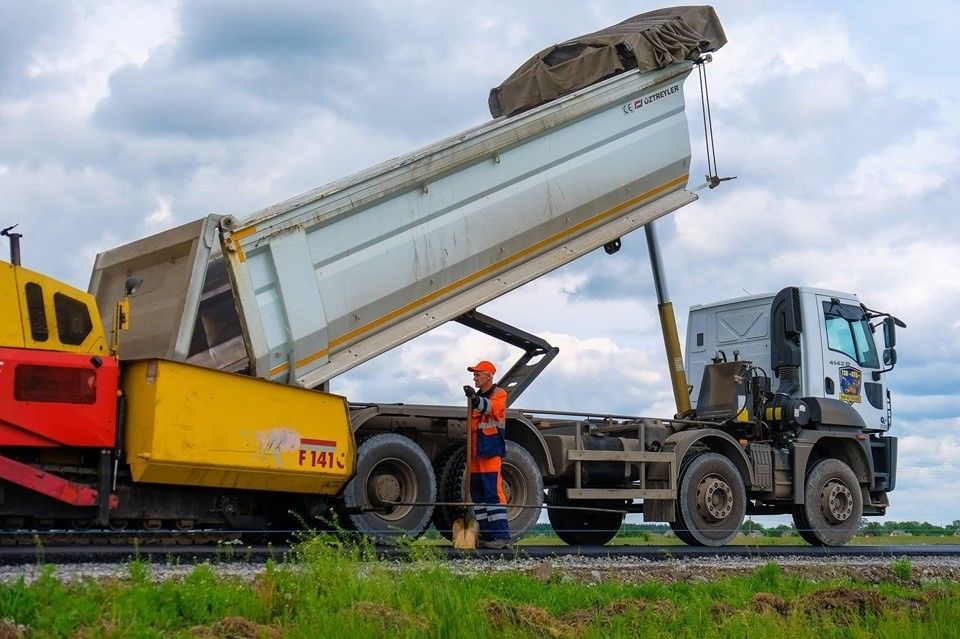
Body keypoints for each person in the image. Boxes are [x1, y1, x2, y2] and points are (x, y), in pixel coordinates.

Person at [463, 360, 511, 549]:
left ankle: (502, 536)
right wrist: (474, 399)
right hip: (476, 453)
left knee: (493, 494)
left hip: (490, 451)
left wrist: (475, 400)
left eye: (477, 374)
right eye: (474, 375)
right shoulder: (475, 398)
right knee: (478, 494)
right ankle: (488, 535)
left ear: (488, 376)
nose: (474, 378)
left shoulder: (499, 394)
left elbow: (492, 409)